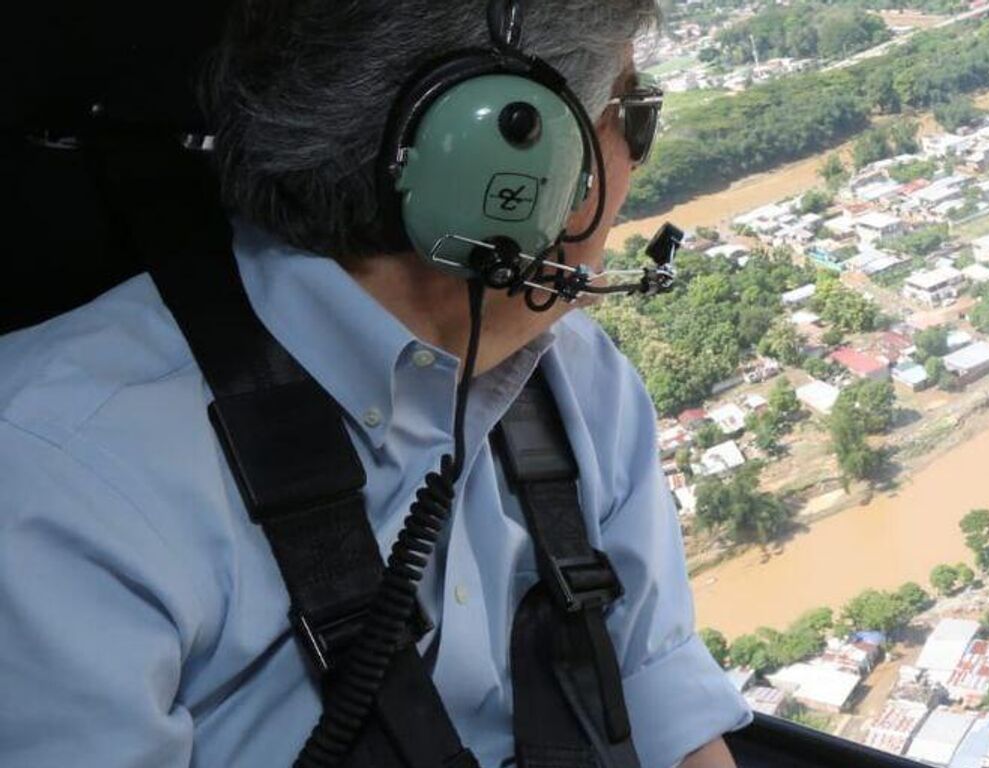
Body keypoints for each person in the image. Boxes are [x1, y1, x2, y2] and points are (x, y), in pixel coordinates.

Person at [0, 1, 747, 766]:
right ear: (508, 162)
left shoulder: (581, 380)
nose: (637, 158)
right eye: (637, 113)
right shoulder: (53, 479)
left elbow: (662, 700)